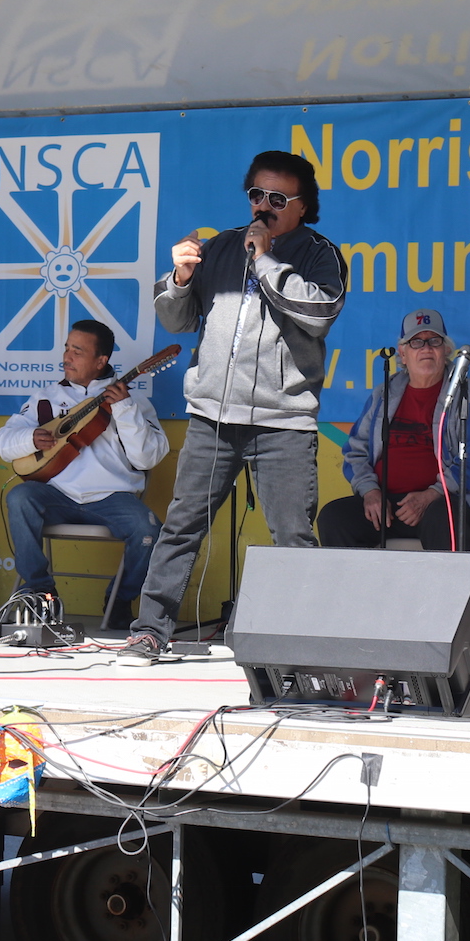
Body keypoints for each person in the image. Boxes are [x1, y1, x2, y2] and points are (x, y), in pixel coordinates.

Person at [116, 150, 348, 664]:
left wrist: (265, 259)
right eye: (256, 195)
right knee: (181, 526)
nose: (263, 207)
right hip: (212, 418)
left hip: (281, 421)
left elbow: (318, 311)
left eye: (278, 199)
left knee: (292, 534)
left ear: (303, 206)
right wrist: (177, 280)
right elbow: (176, 322)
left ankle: (301, 643)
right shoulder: (221, 246)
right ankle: (151, 629)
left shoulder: (319, 254)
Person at [0, 319, 170, 613]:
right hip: (58, 496)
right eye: (66, 349)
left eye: (77, 351)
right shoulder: (46, 397)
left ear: (101, 360)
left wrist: (125, 410)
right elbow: (4, 442)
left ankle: (120, 599)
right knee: (18, 497)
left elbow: (148, 458)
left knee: (149, 528)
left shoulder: (133, 400)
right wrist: (30, 438)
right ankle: (40, 591)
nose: (66, 357)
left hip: (113, 499)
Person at [317, 307, 470, 551]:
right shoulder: (384, 393)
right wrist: (370, 492)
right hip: (385, 507)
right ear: (402, 354)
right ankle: (355, 590)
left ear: (446, 350)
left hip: (441, 503)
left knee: (443, 517)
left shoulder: (468, 394)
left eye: (434, 341)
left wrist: (431, 495)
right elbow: (355, 452)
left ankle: (442, 591)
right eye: (416, 342)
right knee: (334, 517)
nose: (426, 348)